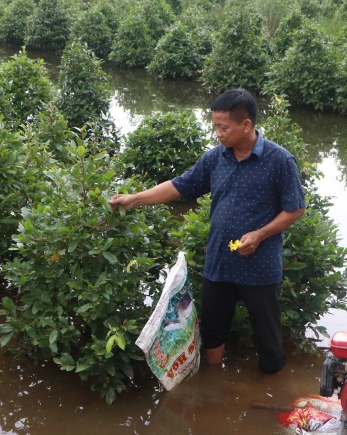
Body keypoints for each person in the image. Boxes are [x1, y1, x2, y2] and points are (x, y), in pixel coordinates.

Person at [109, 88, 306, 374]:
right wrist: (134, 199)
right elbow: (180, 185)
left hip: (259, 266)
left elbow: (295, 209)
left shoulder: (279, 161)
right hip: (219, 262)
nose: (218, 133)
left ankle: (272, 386)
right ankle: (214, 383)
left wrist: (260, 234)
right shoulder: (216, 158)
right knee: (213, 328)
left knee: (268, 333)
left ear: (246, 125)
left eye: (223, 127)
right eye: (215, 126)